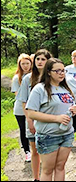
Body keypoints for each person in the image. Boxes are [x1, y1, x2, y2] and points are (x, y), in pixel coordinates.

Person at [26, 58, 76, 181]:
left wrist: (74, 109)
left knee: (60, 167)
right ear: (48, 72)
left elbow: (67, 105)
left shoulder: (65, 88)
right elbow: (31, 113)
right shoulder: (40, 89)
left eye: (63, 70)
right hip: (48, 136)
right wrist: (56, 118)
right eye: (57, 71)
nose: (61, 73)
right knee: (47, 170)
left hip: (67, 134)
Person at [16, 49, 53, 181]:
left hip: (49, 120)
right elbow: (24, 102)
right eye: (37, 59)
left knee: (48, 151)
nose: (40, 62)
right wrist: (29, 120)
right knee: (35, 150)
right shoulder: (28, 79)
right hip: (32, 119)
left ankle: (47, 176)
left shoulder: (52, 78)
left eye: (43, 59)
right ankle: (36, 177)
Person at [11, 53, 32, 162]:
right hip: (20, 109)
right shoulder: (16, 78)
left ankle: (35, 149)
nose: (25, 66)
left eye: (27, 63)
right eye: (23, 64)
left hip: (33, 108)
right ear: (19, 64)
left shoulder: (34, 76)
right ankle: (27, 151)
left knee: (33, 128)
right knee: (23, 130)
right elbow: (18, 95)